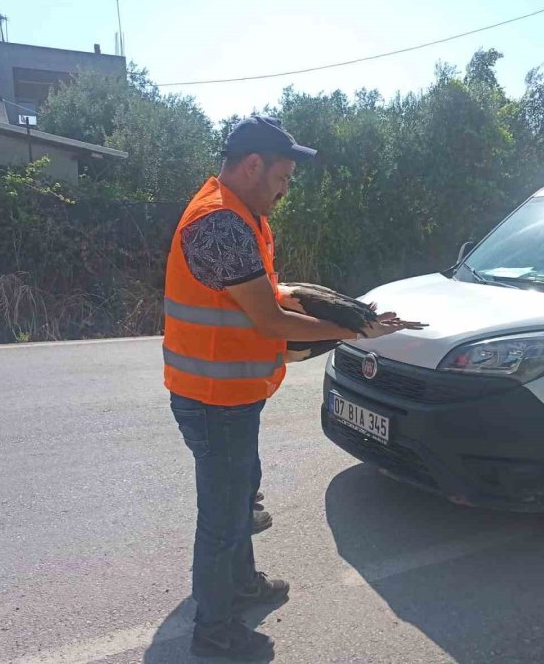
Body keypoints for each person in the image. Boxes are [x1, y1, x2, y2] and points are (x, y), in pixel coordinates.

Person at [164, 116, 415, 659]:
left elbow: (258, 293)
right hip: (213, 399)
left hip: (229, 394)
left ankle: (242, 585)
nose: (285, 187)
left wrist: (323, 304)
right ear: (253, 166)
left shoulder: (238, 212)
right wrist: (354, 328)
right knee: (225, 514)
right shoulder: (221, 224)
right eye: (282, 176)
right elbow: (270, 322)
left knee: (239, 494)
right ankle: (214, 630)